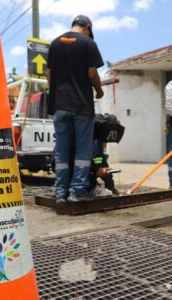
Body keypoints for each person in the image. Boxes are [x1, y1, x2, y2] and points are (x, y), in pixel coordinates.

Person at [46, 15, 104, 203]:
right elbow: (92, 72)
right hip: (81, 106)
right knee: (83, 150)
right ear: (87, 27)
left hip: (60, 105)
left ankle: (60, 192)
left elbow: (49, 73)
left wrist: (55, 92)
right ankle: (77, 191)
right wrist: (99, 90)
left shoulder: (54, 44)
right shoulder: (87, 43)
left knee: (61, 150)